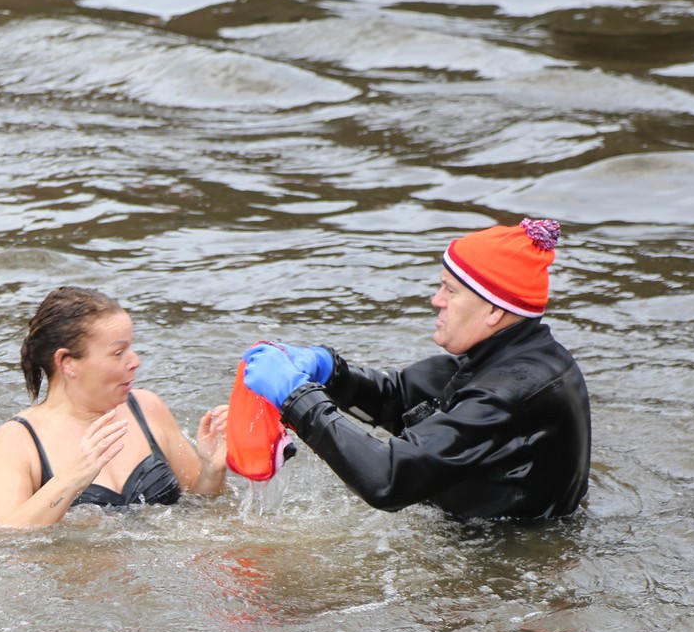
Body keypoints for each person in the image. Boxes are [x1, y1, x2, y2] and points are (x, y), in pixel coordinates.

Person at [241, 218, 590, 521]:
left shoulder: (508, 393)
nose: (437, 300)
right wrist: (331, 372)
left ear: (494, 311)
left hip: (505, 559)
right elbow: (398, 400)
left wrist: (297, 398)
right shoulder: (510, 358)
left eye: (450, 291)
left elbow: (387, 480)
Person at [0, 286, 229, 528]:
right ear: (67, 362)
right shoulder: (17, 440)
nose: (135, 361)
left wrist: (212, 470)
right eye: (118, 352)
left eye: (131, 347)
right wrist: (71, 479)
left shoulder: (147, 407)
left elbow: (200, 508)